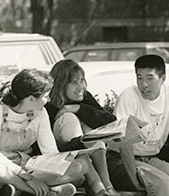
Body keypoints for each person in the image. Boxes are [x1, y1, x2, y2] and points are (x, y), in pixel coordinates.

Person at [0, 69, 92, 196]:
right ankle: (44, 192)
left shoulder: (40, 112)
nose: (48, 100)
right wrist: (27, 177)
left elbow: (50, 152)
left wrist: (61, 163)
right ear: (31, 98)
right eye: (45, 96)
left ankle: (15, 190)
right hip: (0, 166)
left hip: (27, 165)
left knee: (81, 164)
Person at [106, 54, 169, 196]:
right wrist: (134, 179)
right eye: (139, 77)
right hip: (119, 161)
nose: (143, 84)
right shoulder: (129, 96)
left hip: (150, 159)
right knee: (162, 183)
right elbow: (125, 141)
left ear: (163, 79)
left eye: (149, 78)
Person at [45, 59, 119, 196]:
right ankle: (97, 186)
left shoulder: (84, 97)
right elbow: (50, 148)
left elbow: (110, 123)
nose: (80, 87)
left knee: (93, 128)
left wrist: (78, 108)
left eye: (82, 80)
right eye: (74, 82)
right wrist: (80, 143)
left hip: (88, 164)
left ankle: (106, 185)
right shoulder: (48, 107)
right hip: (66, 165)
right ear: (60, 84)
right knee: (69, 118)